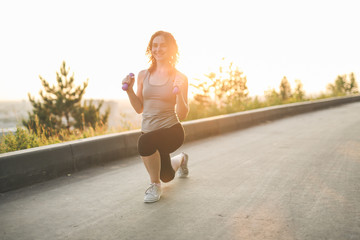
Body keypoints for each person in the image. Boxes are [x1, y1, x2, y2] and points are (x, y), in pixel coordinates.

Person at [122, 31, 189, 203]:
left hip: (171, 131)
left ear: (172, 49)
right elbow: (139, 108)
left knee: (145, 143)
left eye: (163, 45)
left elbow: (182, 114)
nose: (158, 49)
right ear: (150, 49)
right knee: (167, 175)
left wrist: (179, 93)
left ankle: (154, 186)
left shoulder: (180, 77)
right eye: (155, 45)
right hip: (150, 132)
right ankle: (182, 159)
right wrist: (129, 90)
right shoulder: (143, 75)